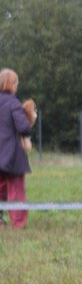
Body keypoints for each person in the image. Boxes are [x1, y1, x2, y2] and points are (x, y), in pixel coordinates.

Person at [0, 68, 32, 230]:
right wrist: (29, 118)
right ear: (11, 84)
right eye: (16, 82)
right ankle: (18, 223)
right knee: (16, 190)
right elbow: (24, 128)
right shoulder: (13, 103)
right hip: (11, 156)